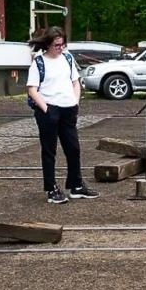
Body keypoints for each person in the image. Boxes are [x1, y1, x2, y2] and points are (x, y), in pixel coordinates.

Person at [26, 26, 98, 203]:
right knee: (49, 150)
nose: (60, 48)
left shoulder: (67, 57)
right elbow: (32, 89)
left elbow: (75, 82)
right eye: (57, 45)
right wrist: (46, 108)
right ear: (48, 45)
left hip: (68, 108)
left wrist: (75, 101)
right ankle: (51, 189)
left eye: (62, 44)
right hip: (49, 109)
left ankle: (76, 185)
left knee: (73, 148)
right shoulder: (39, 62)